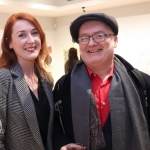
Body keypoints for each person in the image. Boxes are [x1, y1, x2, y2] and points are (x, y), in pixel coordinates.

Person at [53, 13, 150, 150]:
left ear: (115, 40)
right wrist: (62, 143)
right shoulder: (63, 85)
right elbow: (54, 125)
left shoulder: (140, 82)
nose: (91, 43)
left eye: (100, 36)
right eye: (84, 38)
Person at [0, 12, 54, 150]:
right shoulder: (4, 78)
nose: (31, 40)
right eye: (22, 35)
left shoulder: (47, 80)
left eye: (34, 33)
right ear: (9, 43)